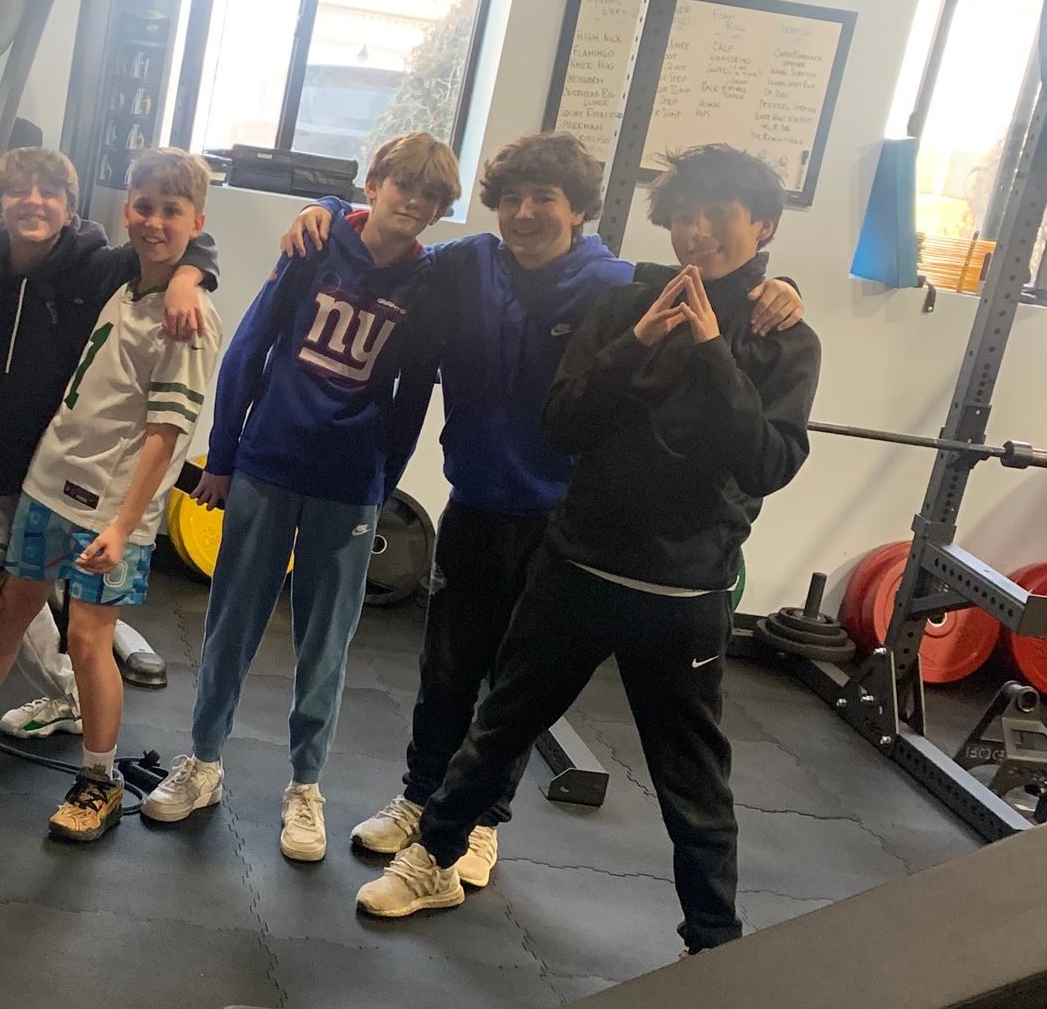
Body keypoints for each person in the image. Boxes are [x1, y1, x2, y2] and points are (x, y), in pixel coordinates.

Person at [279, 131, 799, 892]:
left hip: (559, 523)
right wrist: (328, 207)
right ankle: (424, 799)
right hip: (476, 500)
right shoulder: (466, 266)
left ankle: (484, 822)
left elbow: (711, 282)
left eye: (544, 199)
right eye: (512, 199)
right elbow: (394, 238)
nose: (525, 214)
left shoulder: (612, 283)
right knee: (446, 669)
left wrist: (777, 287)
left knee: (512, 687)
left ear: (579, 208)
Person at [139, 132, 456, 861]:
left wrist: (383, 485)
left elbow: (411, 400)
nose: (413, 201)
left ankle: (305, 786)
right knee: (231, 624)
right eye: (402, 184)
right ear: (374, 184)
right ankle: (204, 761)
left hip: (349, 488)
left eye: (431, 196)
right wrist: (222, 456)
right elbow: (250, 347)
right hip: (268, 465)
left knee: (326, 644)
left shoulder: (431, 282)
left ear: (440, 211)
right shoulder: (314, 244)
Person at [0, 144, 212, 778]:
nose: (33, 202)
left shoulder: (95, 267)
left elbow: (177, 242)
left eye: (49, 194)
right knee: (12, 602)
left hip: (35, 477)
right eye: (19, 191)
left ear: (71, 208)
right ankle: (67, 694)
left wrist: (193, 274)